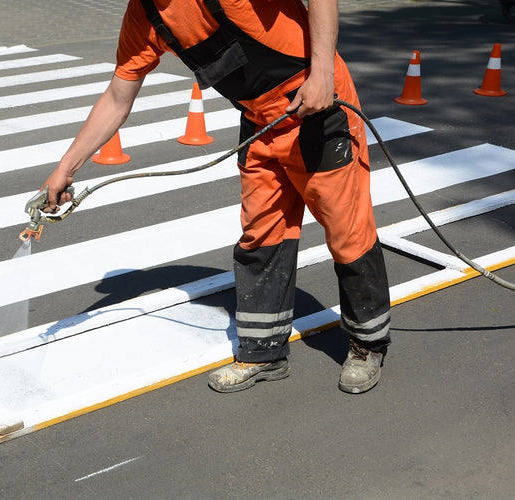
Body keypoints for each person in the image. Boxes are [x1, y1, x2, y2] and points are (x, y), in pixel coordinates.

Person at [40, 0, 391, 394]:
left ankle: (367, 344)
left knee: (347, 230)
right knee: (261, 236)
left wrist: (323, 71)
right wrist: (66, 168)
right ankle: (263, 354)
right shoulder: (145, 15)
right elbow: (118, 96)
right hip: (261, 123)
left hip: (317, 105)